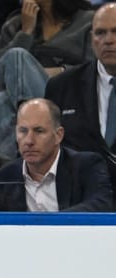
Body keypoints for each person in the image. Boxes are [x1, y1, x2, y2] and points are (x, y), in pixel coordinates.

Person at [0, 0, 94, 162]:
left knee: (1, 99)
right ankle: (16, 163)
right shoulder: (17, 23)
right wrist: (26, 33)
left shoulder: (87, 21)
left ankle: (8, 173)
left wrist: (60, 71)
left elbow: (95, 67)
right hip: (32, 96)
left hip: (67, 94)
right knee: (0, 97)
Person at [0, 98, 112, 211]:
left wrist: (50, 226)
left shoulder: (87, 166)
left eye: (39, 131)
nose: (29, 141)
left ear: (58, 135)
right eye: (23, 131)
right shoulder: (4, 177)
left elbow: (101, 205)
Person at [45, 2, 116, 194]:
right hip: (79, 205)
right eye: (100, 33)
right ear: (91, 38)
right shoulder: (62, 86)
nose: (108, 40)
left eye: (115, 31)